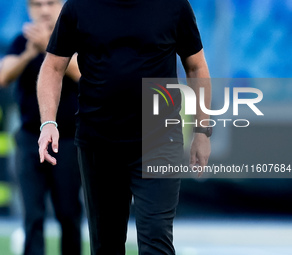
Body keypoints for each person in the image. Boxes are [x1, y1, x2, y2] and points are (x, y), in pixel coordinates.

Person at [38, 0, 211, 254]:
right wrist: (48, 122)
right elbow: (53, 67)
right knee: (106, 245)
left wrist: (202, 131)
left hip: (160, 142)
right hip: (98, 143)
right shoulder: (79, 6)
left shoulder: (174, 6)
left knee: (157, 241)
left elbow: (196, 66)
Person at [0, 0, 82, 254]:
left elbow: (87, 74)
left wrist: (50, 47)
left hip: (67, 141)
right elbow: (1, 76)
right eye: (36, 4)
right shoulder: (22, 41)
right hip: (30, 138)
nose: (43, 10)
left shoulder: (76, 37)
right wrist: (30, 53)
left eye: (50, 3)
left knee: (68, 213)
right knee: (32, 214)